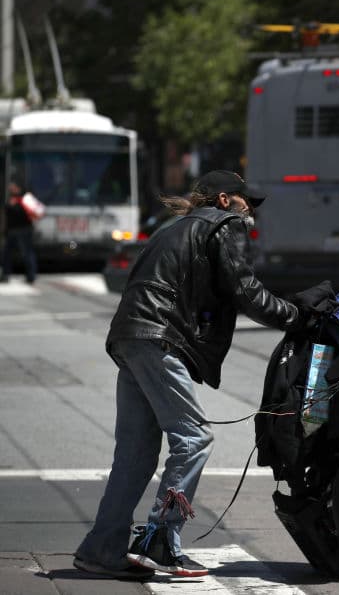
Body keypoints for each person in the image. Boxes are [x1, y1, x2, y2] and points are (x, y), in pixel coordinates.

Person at [74, 170, 322, 581]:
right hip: (158, 338)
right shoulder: (225, 225)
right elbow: (247, 293)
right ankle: (159, 541)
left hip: (130, 336)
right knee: (194, 439)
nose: (252, 212)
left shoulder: (174, 227)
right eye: (248, 202)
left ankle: (102, 548)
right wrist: (297, 315)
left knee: (135, 454)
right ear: (225, 200)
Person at [1, 181, 38, 284]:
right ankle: (5, 275)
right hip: (11, 231)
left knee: (27, 253)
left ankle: (31, 276)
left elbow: (28, 214)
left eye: (12, 187)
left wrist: (14, 206)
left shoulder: (26, 198)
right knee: (6, 254)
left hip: (24, 230)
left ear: (18, 188)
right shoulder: (11, 198)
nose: (10, 188)